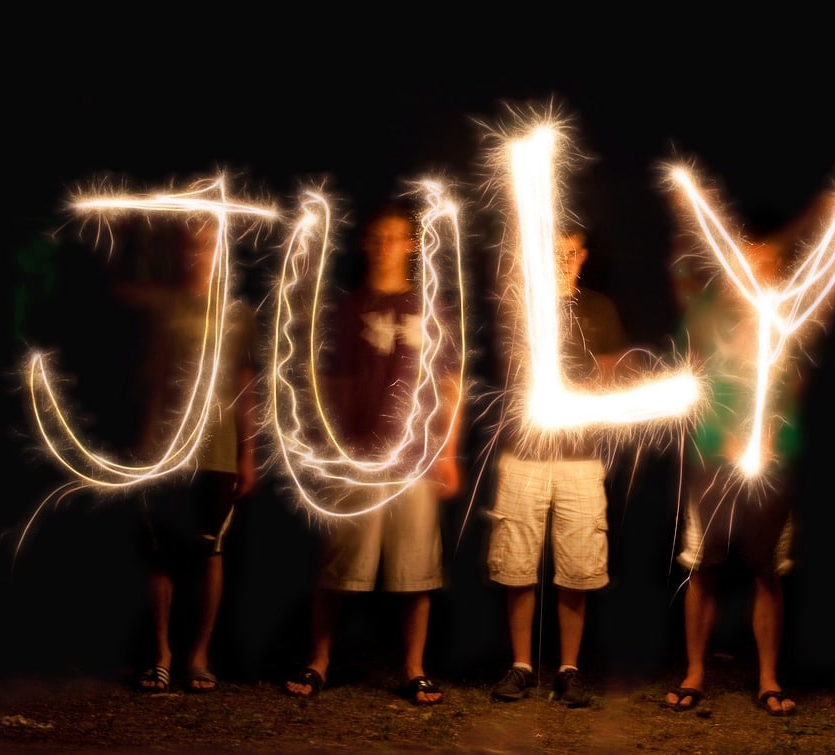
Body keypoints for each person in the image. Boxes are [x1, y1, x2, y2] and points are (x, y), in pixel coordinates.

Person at [284, 199, 463, 705]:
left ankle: (414, 668)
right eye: (378, 236)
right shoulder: (346, 308)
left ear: (411, 246)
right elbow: (325, 381)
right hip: (356, 457)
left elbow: (451, 385)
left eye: (397, 237)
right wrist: (324, 445)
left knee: (415, 570)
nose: (387, 245)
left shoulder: (431, 310)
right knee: (338, 568)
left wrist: (447, 453)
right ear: (366, 243)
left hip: (414, 458)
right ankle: (318, 661)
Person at [665, 229, 806, 717]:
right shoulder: (705, 316)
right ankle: (695, 671)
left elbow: (795, 385)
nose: (757, 273)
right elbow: (691, 379)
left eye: (767, 266)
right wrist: (722, 433)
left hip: (772, 461)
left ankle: (768, 677)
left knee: (768, 570)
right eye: (748, 264)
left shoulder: (787, 320)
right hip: (711, 457)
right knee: (703, 566)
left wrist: (770, 432)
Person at [484, 228, 628, 708]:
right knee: (518, 565)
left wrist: (587, 398)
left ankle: (569, 670)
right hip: (524, 454)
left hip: (580, 458)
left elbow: (610, 378)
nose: (562, 261)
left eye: (570, 253)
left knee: (578, 568)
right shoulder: (520, 307)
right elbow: (509, 369)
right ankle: (522, 666)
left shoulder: (600, 309)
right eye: (552, 253)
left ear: (583, 256)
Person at [130, 217, 259, 694]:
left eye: (207, 244)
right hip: (168, 451)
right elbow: (155, 378)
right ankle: (161, 655)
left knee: (210, 553)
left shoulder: (238, 313)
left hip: (217, 451)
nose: (198, 252)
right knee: (160, 552)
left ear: (221, 251)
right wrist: (146, 446)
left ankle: (198, 657)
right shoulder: (167, 307)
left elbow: (247, 386)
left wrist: (250, 454)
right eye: (191, 244)